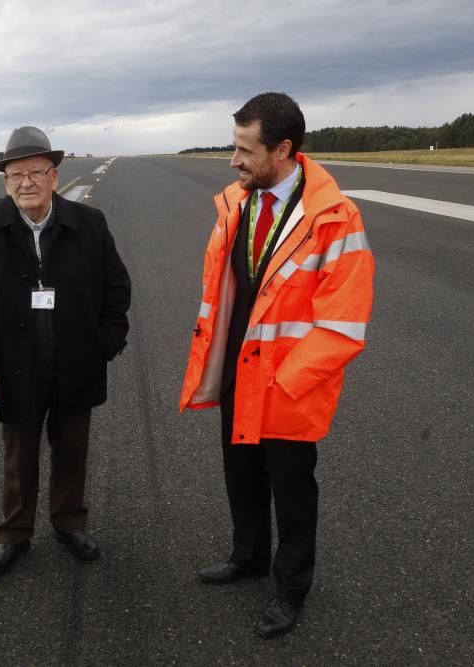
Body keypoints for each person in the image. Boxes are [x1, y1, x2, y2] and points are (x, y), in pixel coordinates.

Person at [179, 93, 374, 639]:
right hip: (242, 371)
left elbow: (344, 322)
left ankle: (291, 587)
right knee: (239, 476)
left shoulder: (336, 218)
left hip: (289, 384)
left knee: (291, 490)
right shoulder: (237, 202)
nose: (233, 161)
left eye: (245, 150)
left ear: (283, 149)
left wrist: (285, 382)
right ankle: (248, 556)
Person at [0, 126, 131, 577]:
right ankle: (14, 534)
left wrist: (104, 344)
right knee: (18, 457)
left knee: (72, 451)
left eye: (36, 172)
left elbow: (116, 287)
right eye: (15, 175)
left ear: (54, 175)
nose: (26, 182)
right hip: (14, 367)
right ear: (4, 180)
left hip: (75, 362)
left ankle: (69, 523)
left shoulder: (89, 223)